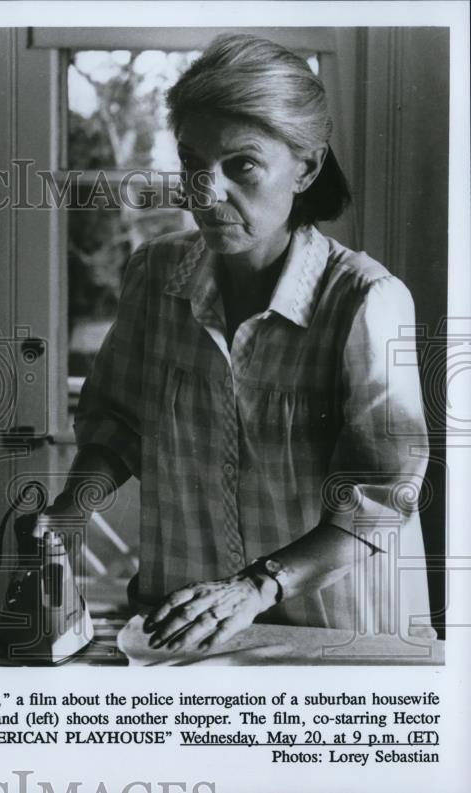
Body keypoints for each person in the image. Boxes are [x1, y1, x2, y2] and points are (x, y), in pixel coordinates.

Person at [40, 34, 435, 653]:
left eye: (241, 165)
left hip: (335, 633)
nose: (205, 191)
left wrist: (256, 588)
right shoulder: (153, 275)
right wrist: (71, 508)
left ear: (305, 166)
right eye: (192, 162)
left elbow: (382, 498)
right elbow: (118, 425)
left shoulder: (365, 300)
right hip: (185, 619)